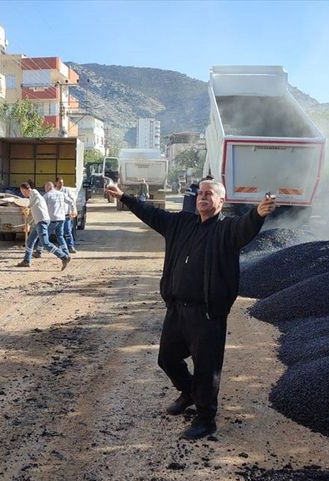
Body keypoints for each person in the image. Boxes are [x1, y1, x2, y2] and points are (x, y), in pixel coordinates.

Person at [104, 179, 276, 440]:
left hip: (207, 315)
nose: (203, 197)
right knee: (167, 359)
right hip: (177, 309)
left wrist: (258, 214)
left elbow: (245, 227)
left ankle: (206, 420)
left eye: (210, 194)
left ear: (221, 201)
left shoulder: (227, 229)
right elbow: (151, 213)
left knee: (207, 368)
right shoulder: (181, 224)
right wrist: (124, 197)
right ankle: (189, 393)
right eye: (200, 194)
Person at [16, 182, 70, 270]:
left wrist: (28, 207)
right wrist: (29, 223)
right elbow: (37, 212)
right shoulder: (32, 197)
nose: (22, 193)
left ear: (24, 189)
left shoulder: (34, 193)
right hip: (39, 222)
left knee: (45, 243)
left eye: (22, 191)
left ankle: (64, 256)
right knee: (30, 241)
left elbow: (35, 200)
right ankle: (26, 260)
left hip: (42, 222)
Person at [55, 176, 78, 254]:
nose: (61, 184)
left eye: (62, 182)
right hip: (57, 216)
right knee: (59, 233)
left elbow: (72, 200)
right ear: (56, 183)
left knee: (67, 231)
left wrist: (73, 210)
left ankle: (70, 246)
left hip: (66, 215)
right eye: (60, 182)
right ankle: (62, 247)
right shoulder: (54, 191)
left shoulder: (66, 191)